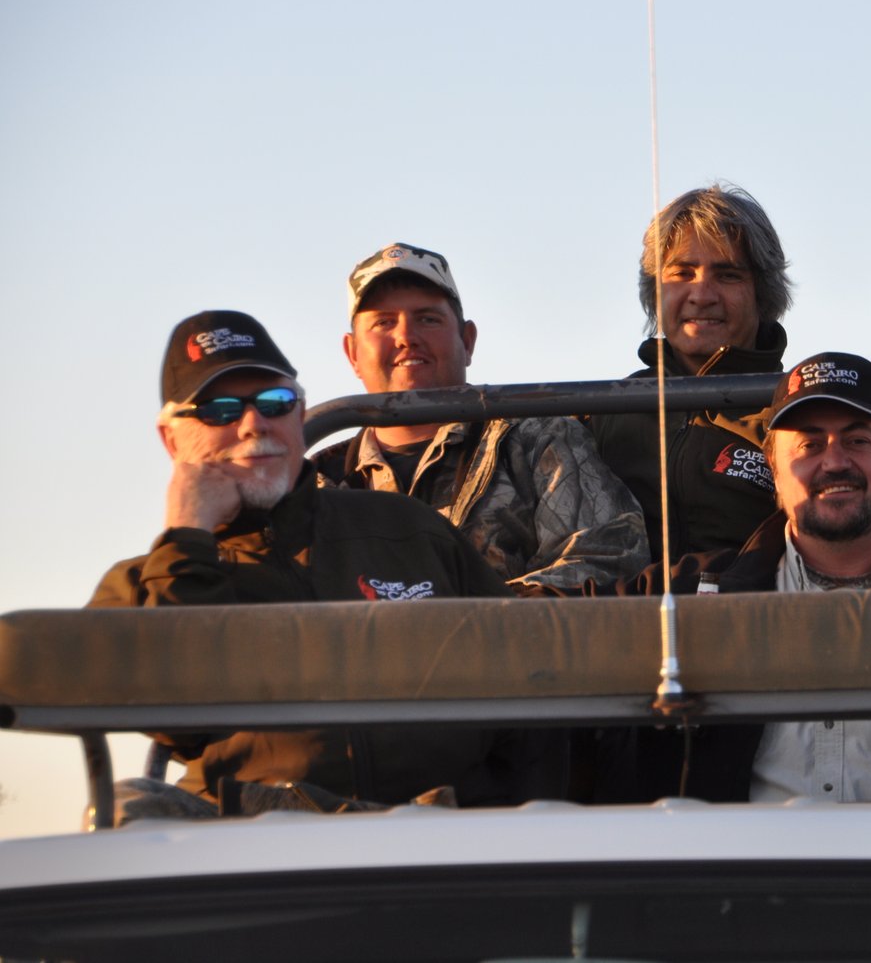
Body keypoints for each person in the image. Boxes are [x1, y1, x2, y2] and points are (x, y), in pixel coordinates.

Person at [91, 310, 556, 817]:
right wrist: (187, 538)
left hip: (443, 831)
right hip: (262, 842)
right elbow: (175, 718)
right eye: (219, 410)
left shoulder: (409, 528)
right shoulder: (141, 584)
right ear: (171, 439)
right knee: (132, 807)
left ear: (299, 414)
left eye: (275, 402)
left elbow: (529, 684)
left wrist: (505, 814)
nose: (253, 424)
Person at [568, 353, 871, 803]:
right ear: (775, 473)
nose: (835, 462)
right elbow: (545, 627)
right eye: (808, 445)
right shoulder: (681, 594)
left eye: (858, 440)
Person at [313, 242, 649, 590]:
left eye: (428, 319)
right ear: (352, 353)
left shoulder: (540, 442)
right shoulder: (316, 481)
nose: (406, 337)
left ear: (467, 341)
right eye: (384, 322)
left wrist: (466, 614)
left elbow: (605, 561)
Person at [588, 185, 793, 558]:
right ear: (655, 291)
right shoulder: (601, 412)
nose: (702, 295)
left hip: (757, 596)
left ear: (762, 293)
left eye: (727, 275)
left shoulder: (798, 413)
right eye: (682, 273)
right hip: (622, 597)